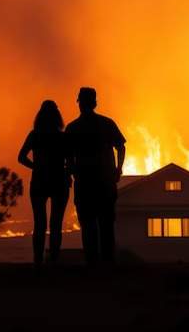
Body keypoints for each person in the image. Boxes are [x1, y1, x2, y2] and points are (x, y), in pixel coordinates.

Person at [65, 87, 126, 265]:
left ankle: (92, 263)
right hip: (104, 182)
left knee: (88, 225)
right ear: (95, 103)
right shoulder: (107, 123)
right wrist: (118, 169)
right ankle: (107, 263)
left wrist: (71, 172)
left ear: (81, 103)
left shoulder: (73, 128)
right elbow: (121, 146)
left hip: (85, 183)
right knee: (106, 225)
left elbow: (68, 156)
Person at [18, 100, 70, 266]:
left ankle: (38, 261)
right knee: (56, 224)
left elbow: (21, 157)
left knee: (39, 223)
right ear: (57, 117)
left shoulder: (35, 135)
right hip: (59, 180)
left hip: (39, 180)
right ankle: (54, 260)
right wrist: (67, 173)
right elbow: (70, 160)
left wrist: (36, 166)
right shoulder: (62, 137)